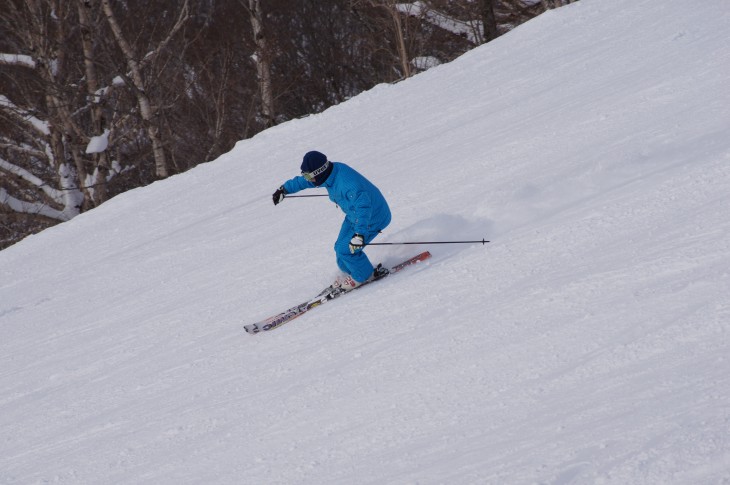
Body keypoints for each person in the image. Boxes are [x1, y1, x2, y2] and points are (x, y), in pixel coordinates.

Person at [272, 150, 391, 291]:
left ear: (319, 172)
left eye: (309, 175)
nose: (307, 178)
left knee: (346, 250)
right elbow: (304, 182)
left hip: (373, 217)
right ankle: (354, 272)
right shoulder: (329, 174)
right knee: (339, 249)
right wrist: (284, 189)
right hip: (354, 216)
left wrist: (359, 235)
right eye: (305, 175)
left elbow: (363, 207)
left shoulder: (347, 184)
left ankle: (363, 275)